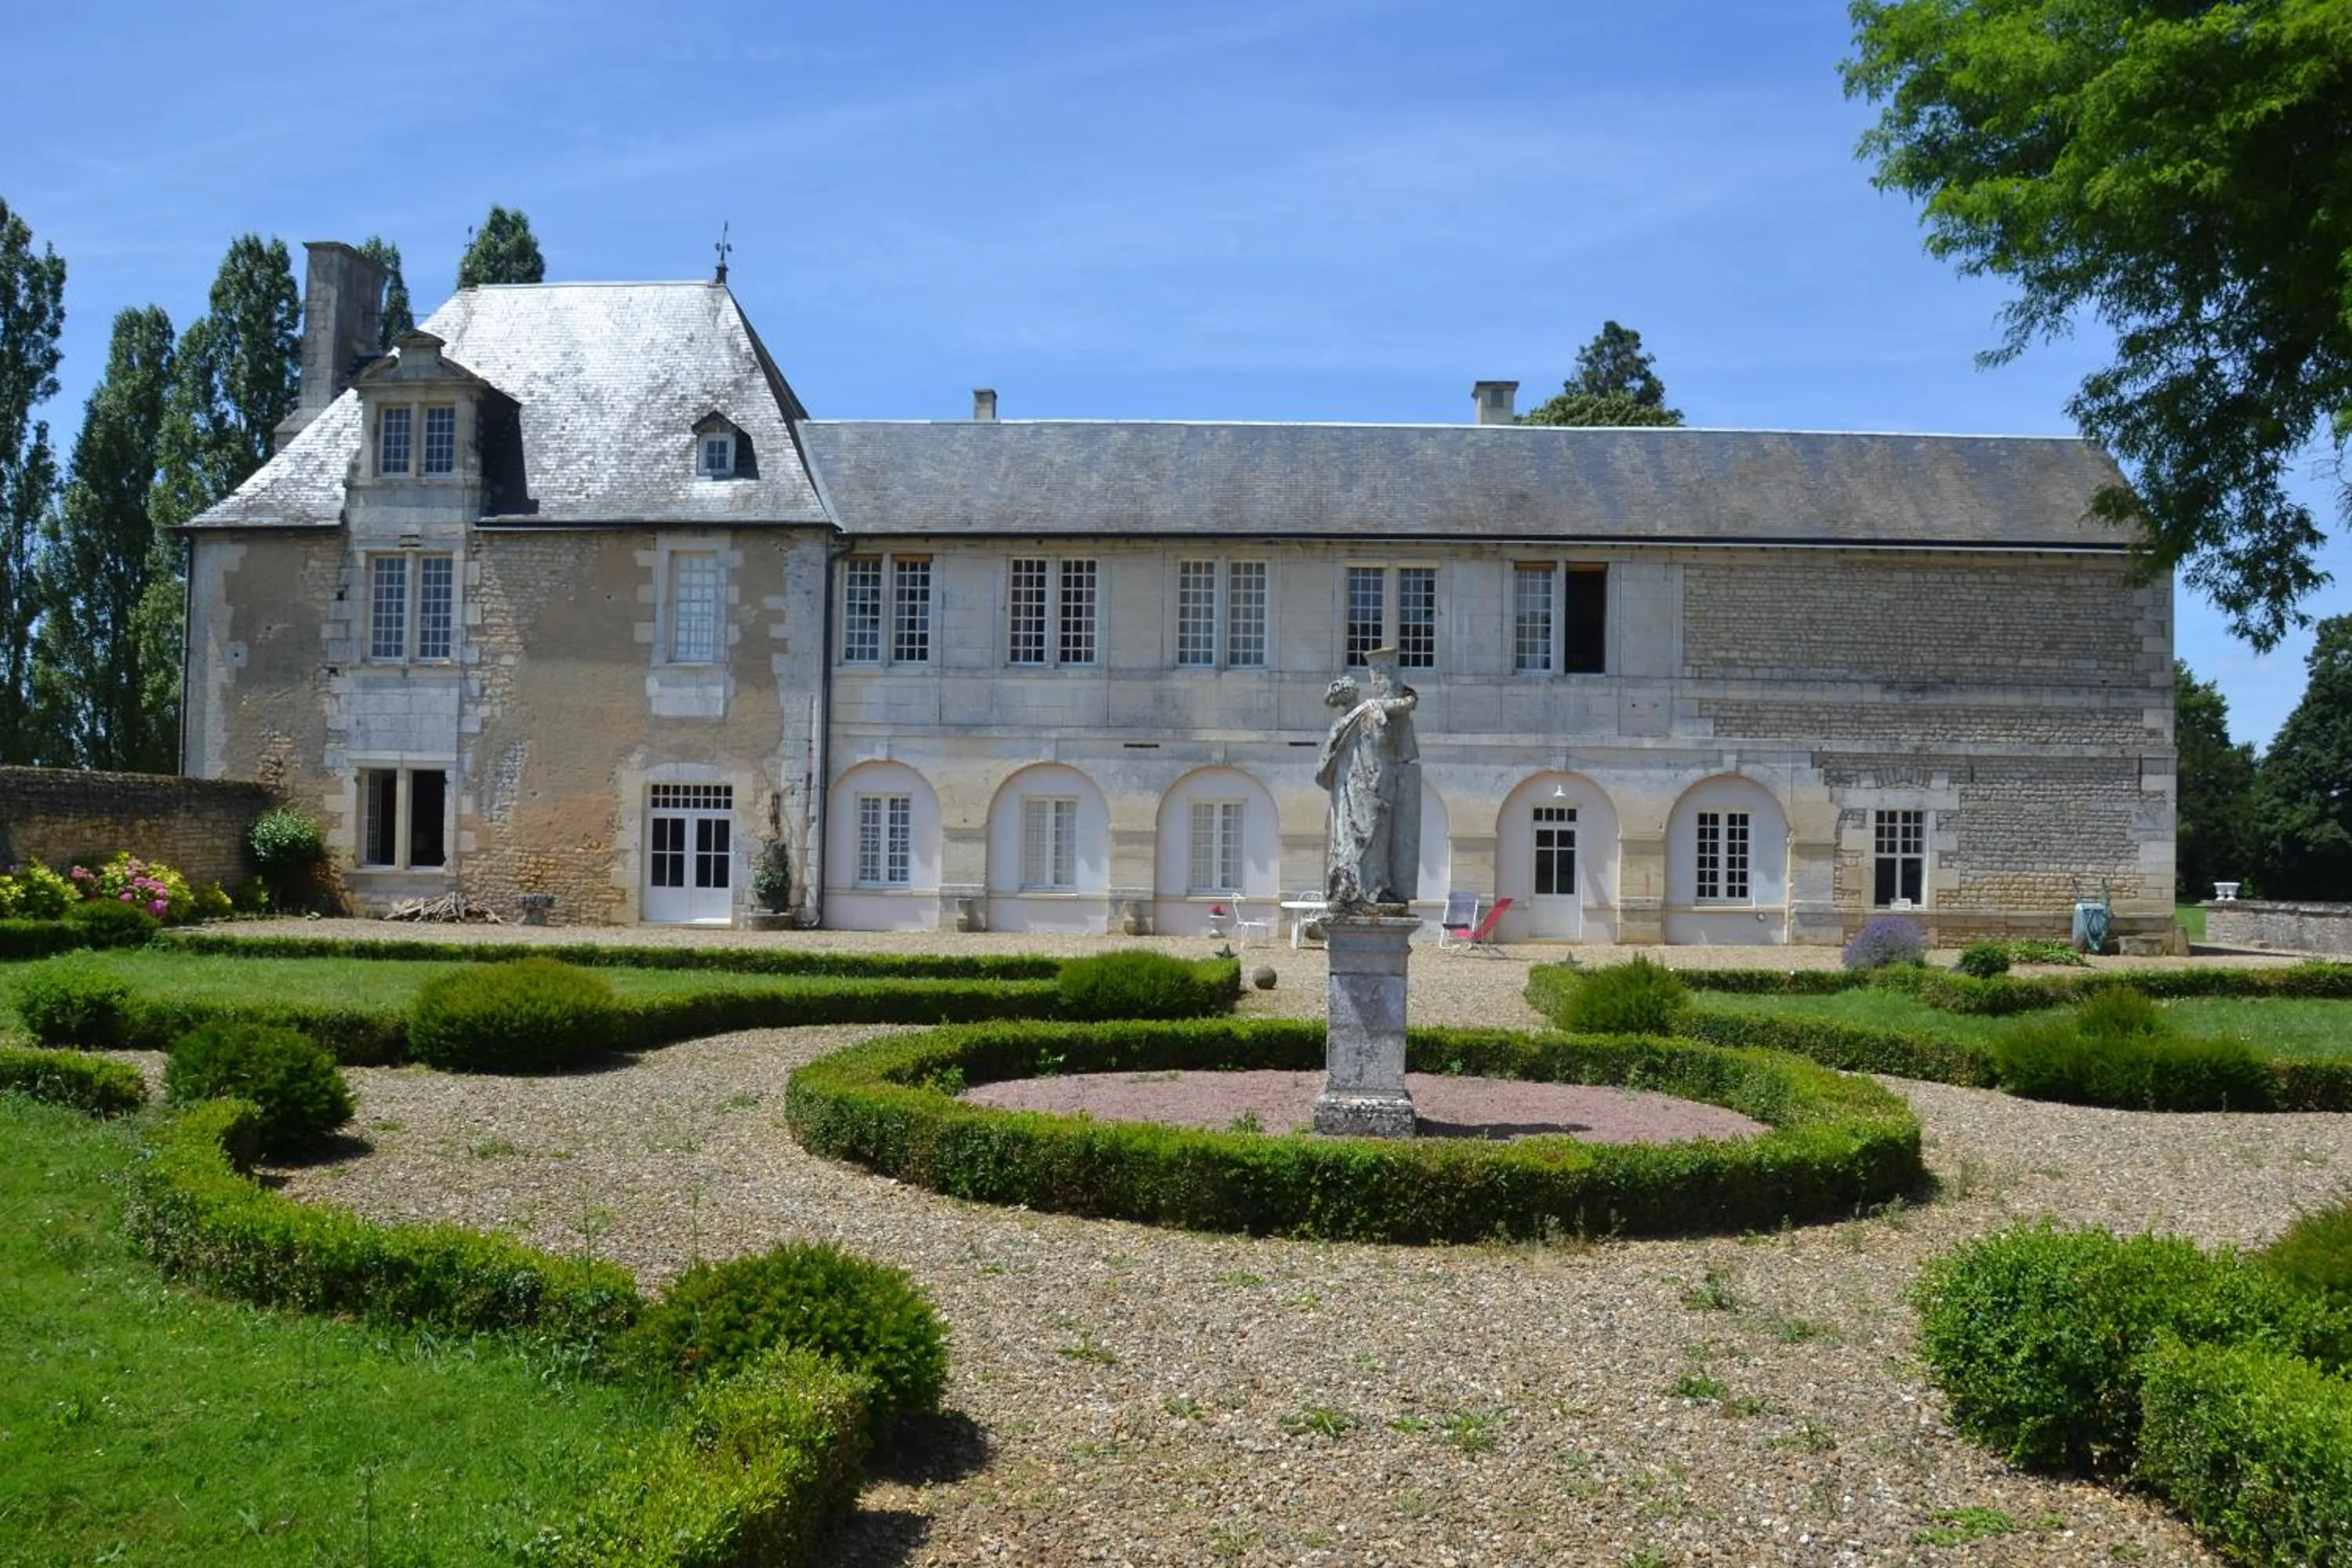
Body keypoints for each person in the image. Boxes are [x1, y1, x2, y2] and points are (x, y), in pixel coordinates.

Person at [1315, 649, 1421, 910]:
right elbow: (1403, 705)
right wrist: (1409, 693)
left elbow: (1323, 769)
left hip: (1357, 788)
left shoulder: (1341, 723)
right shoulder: (1370, 709)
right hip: (1366, 787)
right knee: (1372, 836)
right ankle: (1368, 890)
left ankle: (1366, 889)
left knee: (1368, 837)